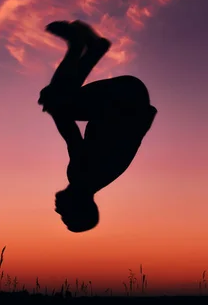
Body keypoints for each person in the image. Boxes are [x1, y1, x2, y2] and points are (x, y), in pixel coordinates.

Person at [38, 20, 157, 233]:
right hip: (127, 99)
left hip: (129, 99)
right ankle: (79, 46)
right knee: (58, 100)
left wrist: (56, 108)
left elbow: (71, 132)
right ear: (78, 207)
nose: (58, 211)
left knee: (62, 99)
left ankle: (92, 49)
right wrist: (53, 108)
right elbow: (71, 134)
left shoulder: (91, 180)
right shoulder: (83, 177)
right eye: (65, 215)